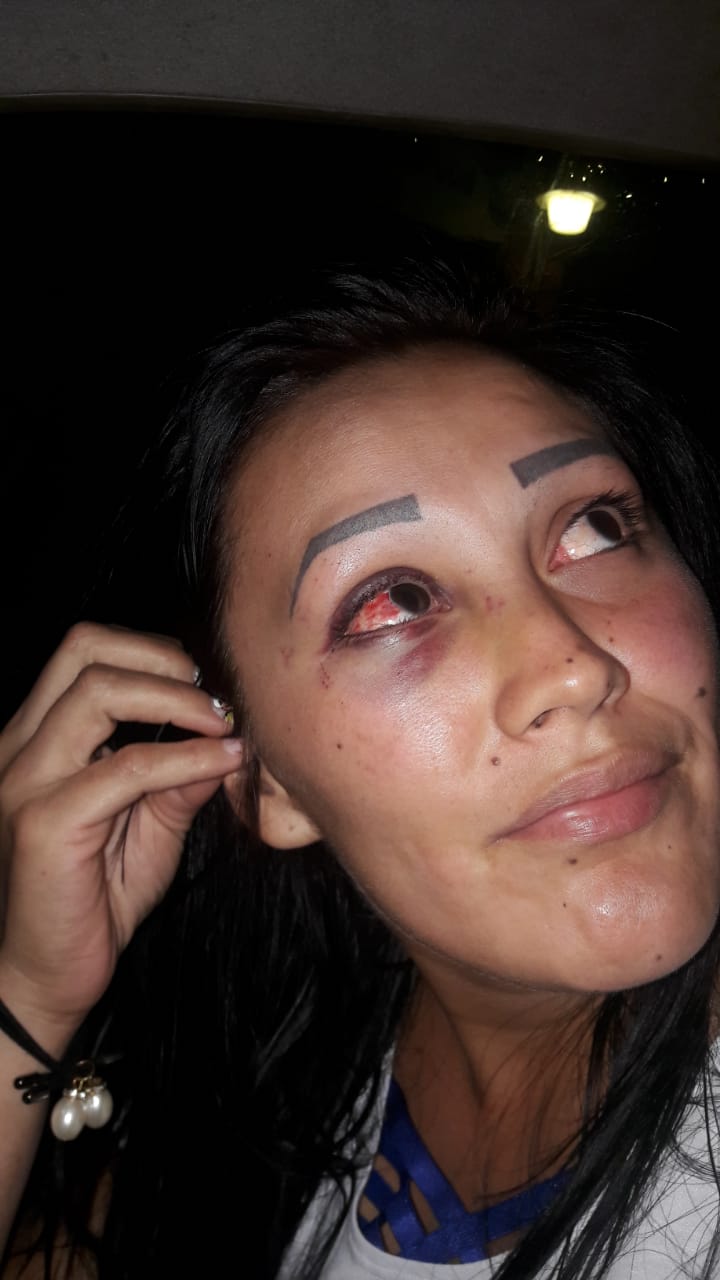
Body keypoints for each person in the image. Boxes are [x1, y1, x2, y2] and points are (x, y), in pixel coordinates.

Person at [2, 250, 720, 1280]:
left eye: (595, 528)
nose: (573, 666)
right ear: (265, 782)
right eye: (392, 601)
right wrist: (29, 998)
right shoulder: (291, 1068)